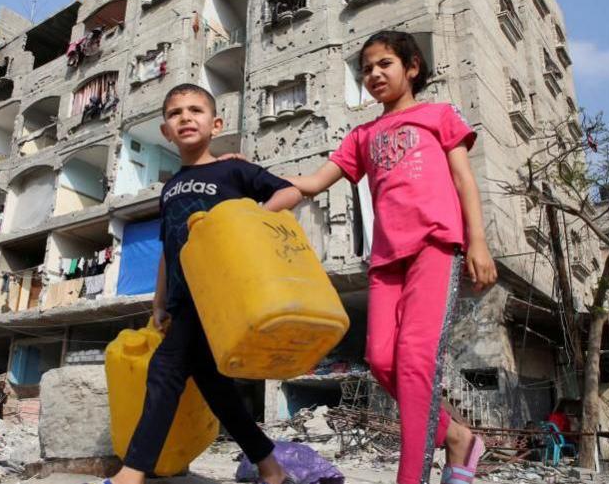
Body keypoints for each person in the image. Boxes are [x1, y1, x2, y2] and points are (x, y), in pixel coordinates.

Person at [286, 30, 497, 484]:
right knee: (382, 360)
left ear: (412, 68)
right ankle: (458, 437)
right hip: (386, 259)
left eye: (384, 64)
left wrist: (477, 242)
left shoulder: (437, 115)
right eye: (366, 68)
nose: (374, 74)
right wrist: (256, 188)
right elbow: (313, 182)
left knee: (416, 359)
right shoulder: (362, 135)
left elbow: (464, 180)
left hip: (436, 247)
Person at [95, 84, 301, 484]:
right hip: (182, 299)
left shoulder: (231, 169)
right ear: (166, 130)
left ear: (215, 123)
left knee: (165, 370)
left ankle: (132, 473)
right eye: (175, 114)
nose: (185, 118)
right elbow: (168, 250)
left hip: (222, 296)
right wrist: (158, 304)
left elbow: (288, 191)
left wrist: (244, 221)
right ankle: (271, 467)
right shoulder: (170, 189)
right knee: (214, 386)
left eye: (195, 110)